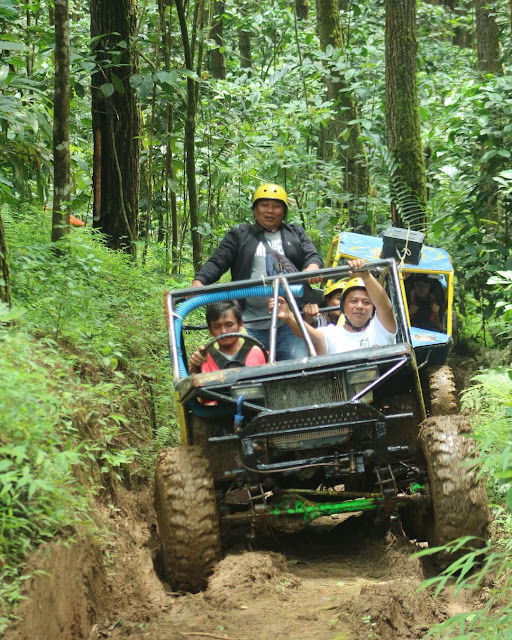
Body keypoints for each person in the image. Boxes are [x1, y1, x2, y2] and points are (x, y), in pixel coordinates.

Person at [191, 183, 324, 360]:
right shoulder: (240, 235)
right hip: (249, 323)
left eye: (276, 206)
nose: (270, 210)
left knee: (297, 368)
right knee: (251, 375)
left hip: (290, 320)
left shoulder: (295, 233)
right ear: (255, 210)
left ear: (283, 211)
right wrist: (199, 281)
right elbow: (218, 261)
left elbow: (312, 256)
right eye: (264, 205)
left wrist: (312, 268)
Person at [269, 259, 396, 355]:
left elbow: (386, 308)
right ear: (343, 306)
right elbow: (311, 335)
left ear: (373, 308)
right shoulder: (332, 334)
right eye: (353, 301)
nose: (359, 306)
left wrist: (366, 276)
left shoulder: (380, 329)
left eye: (366, 302)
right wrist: (289, 317)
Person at [189, 300, 267, 373]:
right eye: (217, 327)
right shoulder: (203, 360)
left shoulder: (258, 353)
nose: (223, 331)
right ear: (210, 330)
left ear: (240, 325)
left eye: (229, 325)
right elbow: (190, 383)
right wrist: (195, 367)